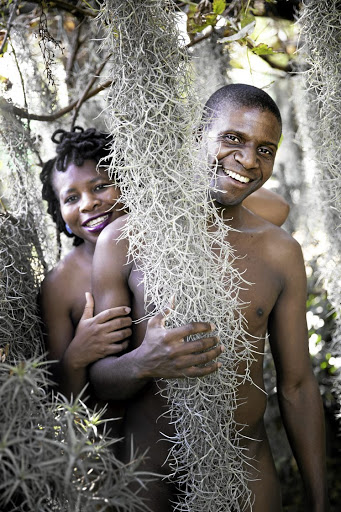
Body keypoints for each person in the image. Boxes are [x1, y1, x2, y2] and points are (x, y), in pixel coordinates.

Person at [89, 84, 329, 512]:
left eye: (265, 150)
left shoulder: (280, 252)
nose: (249, 160)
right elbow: (99, 379)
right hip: (148, 476)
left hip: (245, 472)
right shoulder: (126, 239)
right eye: (233, 138)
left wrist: (320, 498)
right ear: (197, 134)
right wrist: (143, 361)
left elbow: (297, 386)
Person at [39, 126, 288, 403]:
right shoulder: (60, 284)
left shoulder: (164, 236)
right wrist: (76, 356)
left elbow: (278, 209)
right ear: (58, 211)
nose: (88, 203)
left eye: (100, 186)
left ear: (127, 182)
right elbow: (60, 399)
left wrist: (186, 172)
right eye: (71, 198)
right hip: (115, 434)